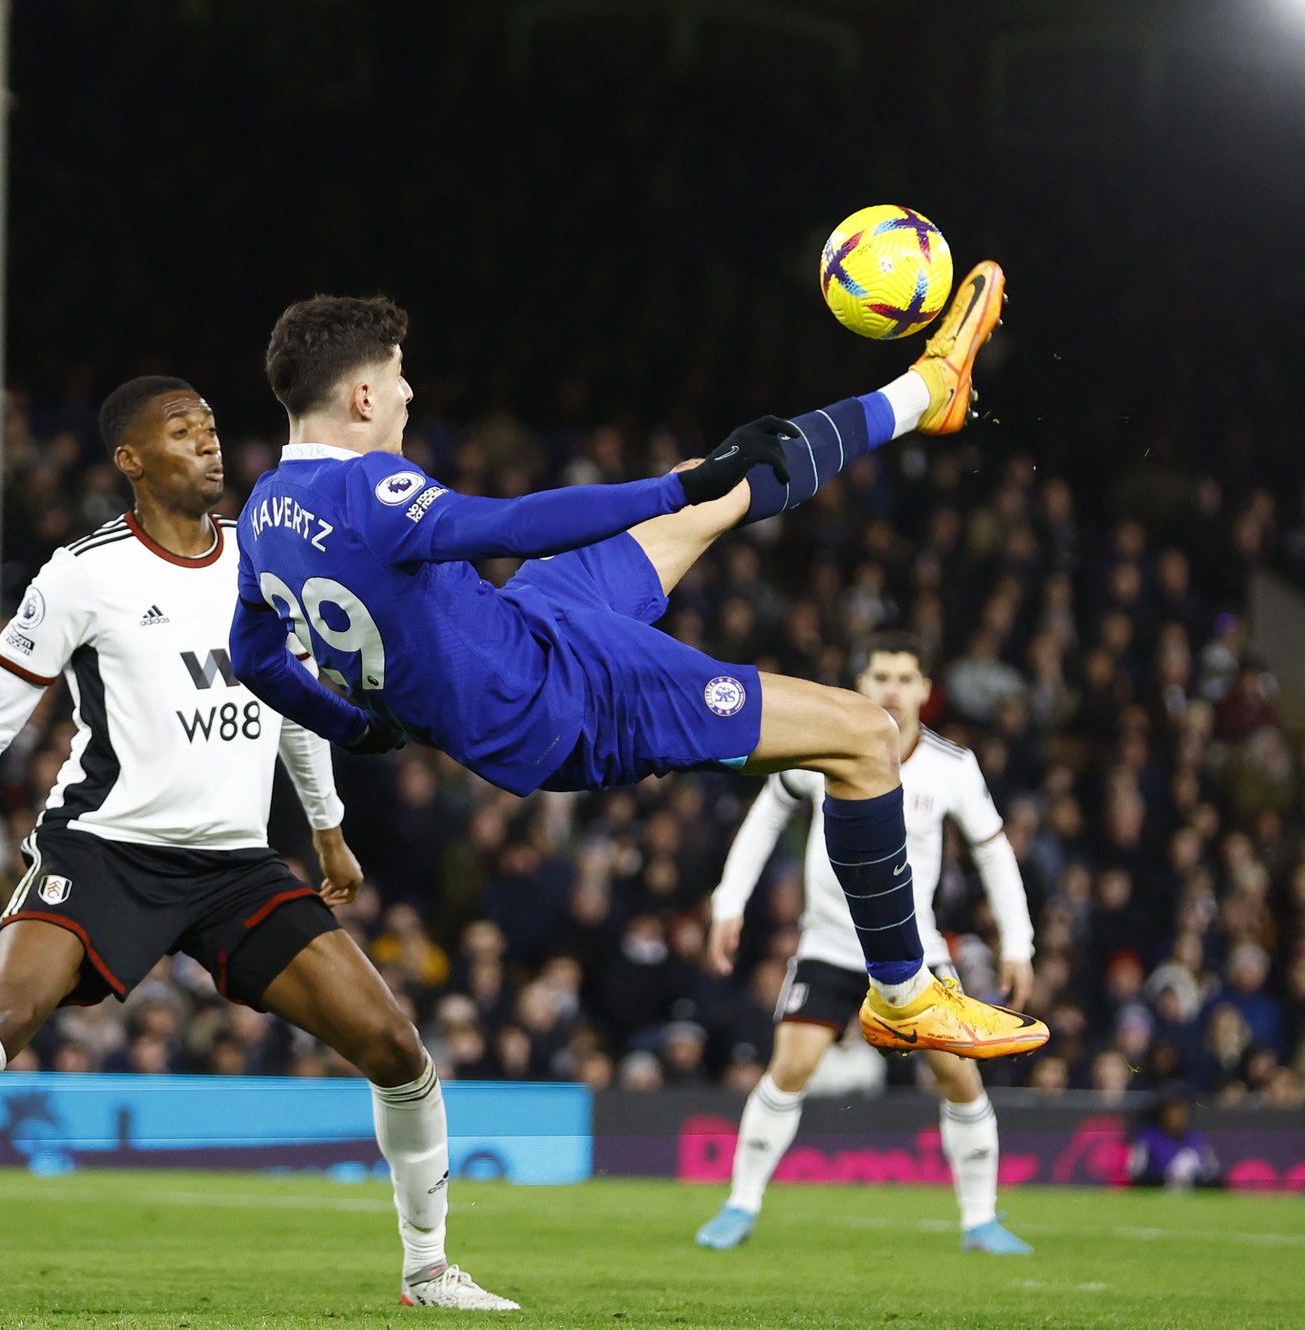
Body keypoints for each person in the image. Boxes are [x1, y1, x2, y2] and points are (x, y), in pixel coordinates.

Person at [0, 379, 516, 1311]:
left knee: (395, 1043)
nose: (209, 444)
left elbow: (291, 700)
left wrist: (325, 828)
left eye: (210, 428)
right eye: (182, 431)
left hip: (238, 865)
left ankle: (428, 1269)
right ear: (132, 461)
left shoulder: (262, 554)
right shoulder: (84, 574)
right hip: (106, 851)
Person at [229, 269, 1046, 1062]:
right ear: (362, 397)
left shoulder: (263, 513)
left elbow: (255, 657)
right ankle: (903, 996)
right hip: (559, 700)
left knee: (714, 483)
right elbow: (514, 524)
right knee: (867, 735)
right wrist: (658, 494)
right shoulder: (367, 490)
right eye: (399, 378)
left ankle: (923, 393)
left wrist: (358, 728)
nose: (410, 395)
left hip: (527, 624)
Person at [696, 634, 1037, 1254]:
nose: (892, 690)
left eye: (906, 679)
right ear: (862, 683)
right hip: (828, 944)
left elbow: (994, 853)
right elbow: (766, 817)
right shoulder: (821, 747)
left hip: (915, 950)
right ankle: (740, 1206)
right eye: (881, 676)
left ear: (926, 691)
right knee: (790, 1068)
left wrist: (1019, 942)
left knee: (959, 1080)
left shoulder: (952, 766)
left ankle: (980, 1221)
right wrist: (728, 901)